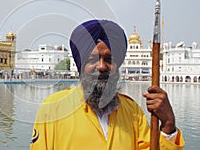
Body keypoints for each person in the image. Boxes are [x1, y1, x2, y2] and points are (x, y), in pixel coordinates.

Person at [30, 19, 184, 150]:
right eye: (93, 60)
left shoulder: (132, 112)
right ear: (80, 65)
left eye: (109, 60)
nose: (102, 66)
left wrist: (168, 124)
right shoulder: (54, 108)